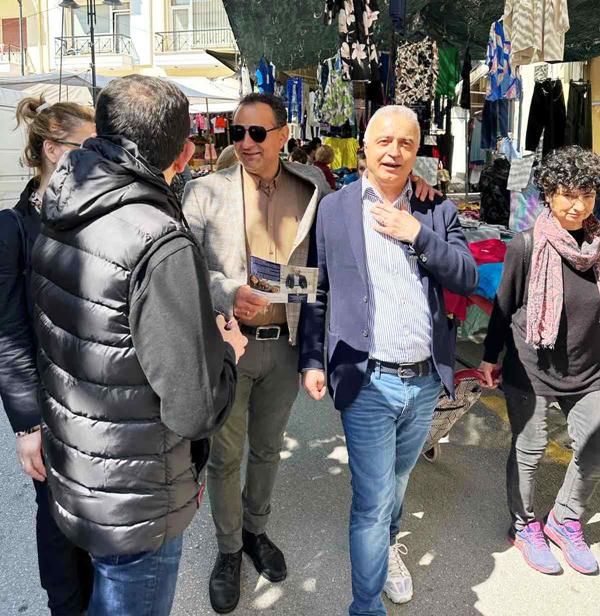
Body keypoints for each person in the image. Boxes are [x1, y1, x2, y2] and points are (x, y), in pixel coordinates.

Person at [31, 75, 246, 616]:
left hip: (79, 466)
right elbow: (195, 408)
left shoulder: (59, 200)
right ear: (185, 152)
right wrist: (227, 353)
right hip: (136, 494)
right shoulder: (158, 238)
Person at [300, 105, 478, 615]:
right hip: (367, 380)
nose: (394, 151)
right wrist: (311, 359)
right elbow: (315, 289)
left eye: (405, 143)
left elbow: (466, 276)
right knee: (372, 500)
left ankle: (389, 549)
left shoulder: (435, 210)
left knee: (397, 481)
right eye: (384, 140)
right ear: (365, 145)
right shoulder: (334, 209)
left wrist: (416, 232)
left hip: (423, 382)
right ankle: (365, 605)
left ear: (417, 151)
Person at [182, 93, 331, 614]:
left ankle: (254, 531)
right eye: (237, 132)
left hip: (284, 348)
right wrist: (227, 292)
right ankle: (228, 550)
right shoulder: (204, 191)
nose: (245, 142)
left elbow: (325, 262)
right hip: (229, 346)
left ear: (283, 135)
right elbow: (185, 265)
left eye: (257, 132)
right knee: (225, 457)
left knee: (267, 450)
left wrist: (421, 187)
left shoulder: (312, 188)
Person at [481, 145, 600, 576]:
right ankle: (524, 524)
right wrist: (489, 358)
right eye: (567, 194)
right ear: (549, 194)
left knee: (595, 446)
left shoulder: (598, 246)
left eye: (586, 195)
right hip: (531, 368)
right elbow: (503, 306)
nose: (577, 205)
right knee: (529, 450)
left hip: (588, 370)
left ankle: (565, 520)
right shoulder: (526, 245)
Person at [0, 96, 95, 616]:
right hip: (50, 404)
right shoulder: (13, 228)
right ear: (54, 150)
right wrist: (26, 426)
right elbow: (8, 334)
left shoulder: (97, 216)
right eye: (89, 147)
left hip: (102, 399)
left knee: (100, 520)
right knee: (58, 523)